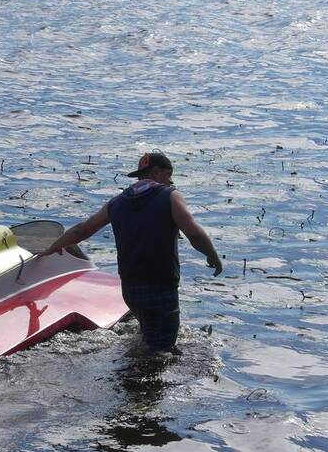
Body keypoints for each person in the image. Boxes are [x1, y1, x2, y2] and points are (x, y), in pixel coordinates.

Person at [40, 151, 223, 352]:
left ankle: (132, 371)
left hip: (130, 288)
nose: (170, 180)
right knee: (160, 351)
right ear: (155, 172)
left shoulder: (117, 203)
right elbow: (193, 233)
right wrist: (212, 255)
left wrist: (54, 246)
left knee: (147, 335)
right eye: (168, 174)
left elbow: (82, 229)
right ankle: (134, 378)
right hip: (160, 287)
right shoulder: (169, 196)